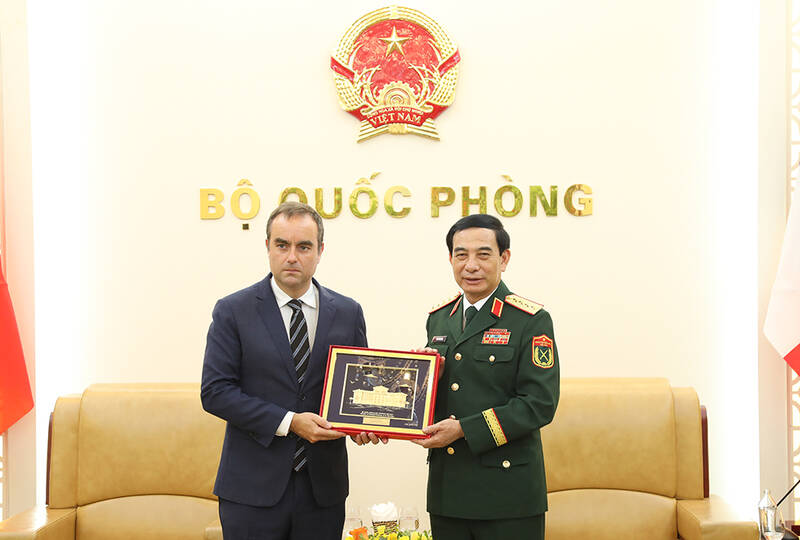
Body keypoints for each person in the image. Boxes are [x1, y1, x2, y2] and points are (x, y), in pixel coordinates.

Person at [201, 202, 368, 540]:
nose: (292, 256)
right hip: (251, 489)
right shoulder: (233, 310)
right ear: (267, 248)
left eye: (304, 246)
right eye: (282, 245)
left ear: (320, 251)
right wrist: (291, 421)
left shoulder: (349, 312)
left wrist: (366, 422)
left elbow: (357, 389)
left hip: (323, 490)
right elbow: (215, 392)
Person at [413, 214, 560, 540]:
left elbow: (539, 404)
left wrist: (464, 429)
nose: (471, 265)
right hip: (447, 490)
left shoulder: (530, 321)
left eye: (483, 254)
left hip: (507, 494)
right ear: (450, 259)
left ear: (503, 258)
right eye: (461, 254)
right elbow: (443, 393)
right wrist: (420, 386)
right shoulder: (439, 319)